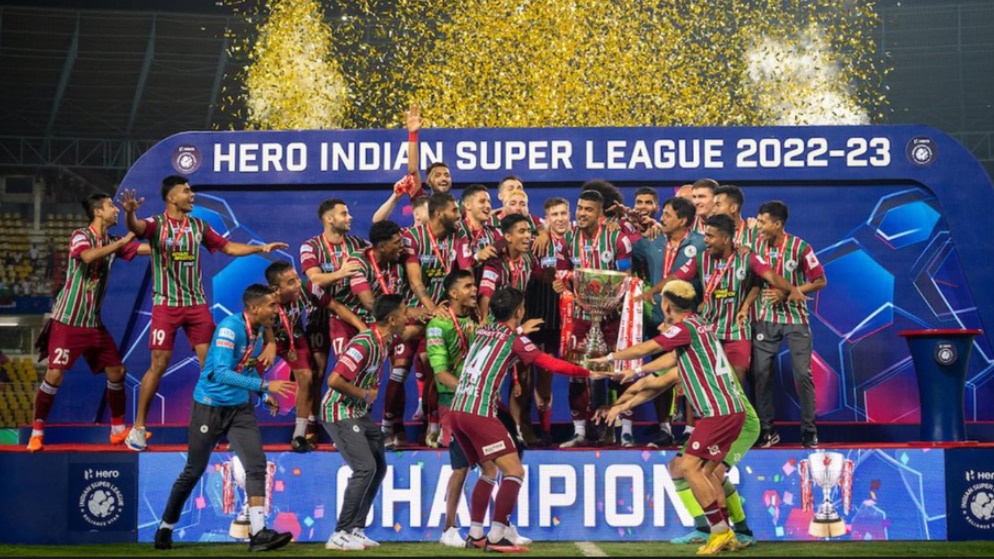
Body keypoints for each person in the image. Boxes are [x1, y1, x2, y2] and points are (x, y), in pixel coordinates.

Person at [119, 178, 288, 452]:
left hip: (196, 306)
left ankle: (218, 428)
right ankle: (138, 429)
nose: (191, 195)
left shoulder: (199, 226)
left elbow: (229, 248)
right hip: (166, 305)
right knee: (158, 365)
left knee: (213, 367)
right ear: (171, 198)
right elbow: (136, 228)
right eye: (186, 191)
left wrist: (261, 248)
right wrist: (129, 213)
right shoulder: (156, 224)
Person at [591, 279, 748, 555]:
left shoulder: (684, 328)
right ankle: (728, 532)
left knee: (688, 468)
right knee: (707, 472)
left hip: (717, 412)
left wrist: (610, 357)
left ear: (666, 305)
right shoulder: (699, 325)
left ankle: (719, 531)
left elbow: (648, 348)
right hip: (730, 410)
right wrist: (635, 372)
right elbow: (669, 362)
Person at [153, 284, 295, 552]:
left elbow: (246, 368)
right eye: (271, 306)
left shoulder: (257, 333)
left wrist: (263, 395)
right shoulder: (230, 329)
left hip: (240, 409)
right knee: (194, 471)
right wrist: (265, 386)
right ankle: (166, 526)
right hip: (210, 406)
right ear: (254, 308)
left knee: (256, 464)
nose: (276, 311)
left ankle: (259, 533)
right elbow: (221, 373)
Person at [451, 287, 592, 552]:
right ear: (519, 311)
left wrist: (518, 330)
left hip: (458, 410)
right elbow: (550, 364)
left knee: (489, 471)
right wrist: (588, 372)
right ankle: (497, 536)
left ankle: (475, 533)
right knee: (514, 471)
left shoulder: (483, 330)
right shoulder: (515, 340)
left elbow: (502, 337)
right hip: (479, 411)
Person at [593, 342, 761, 548]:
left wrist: (622, 401)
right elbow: (645, 385)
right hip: (714, 420)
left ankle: (740, 532)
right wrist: (614, 406)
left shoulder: (698, 359)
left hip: (741, 423)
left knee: (712, 472)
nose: (663, 329)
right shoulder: (684, 358)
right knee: (677, 468)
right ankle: (704, 529)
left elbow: (658, 382)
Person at [27, 193, 147, 452]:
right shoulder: (80, 235)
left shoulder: (112, 241)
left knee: (117, 371)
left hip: (93, 324)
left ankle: (117, 430)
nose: (116, 210)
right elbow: (88, 257)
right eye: (111, 206)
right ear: (98, 212)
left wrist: (172, 245)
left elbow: (142, 249)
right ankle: (36, 433)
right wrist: (122, 242)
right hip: (67, 321)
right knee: (54, 375)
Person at [554, 188, 639, 448]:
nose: (581, 213)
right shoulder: (567, 239)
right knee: (578, 370)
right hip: (581, 316)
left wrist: (608, 297)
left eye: (588, 209)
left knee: (621, 371)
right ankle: (580, 431)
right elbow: (561, 272)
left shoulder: (617, 239)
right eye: (579, 208)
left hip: (612, 316)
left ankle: (626, 430)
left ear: (600, 213)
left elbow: (626, 277)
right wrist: (565, 283)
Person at [322, 294, 408, 551]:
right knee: (365, 468)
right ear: (392, 319)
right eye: (404, 313)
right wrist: (364, 394)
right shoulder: (364, 343)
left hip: (358, 413)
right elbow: (334, 380)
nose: (407, 317)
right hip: (338, 410)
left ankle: (356, 529)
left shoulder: (385, 341)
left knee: (378, 467)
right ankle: (339, 533)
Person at [380, 192, 460, 448]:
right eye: (454, 210)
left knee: (435, 370)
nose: (458, 215)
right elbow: (415, 282)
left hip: (436, 319)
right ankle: (387, 427)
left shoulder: (456, 237)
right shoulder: (412, 238)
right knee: (399, 371)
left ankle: (432, 427)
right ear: (439, 213)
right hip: (410, 315)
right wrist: (431, 308)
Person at [751, 201, 827, 449]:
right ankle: (767, 430)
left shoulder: (800, 247)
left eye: (763, 222)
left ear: (777, 224)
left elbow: (820, 281)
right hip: (765, 319)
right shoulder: (755, 246)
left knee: (803, 374)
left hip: (796, 320)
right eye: (758, 221)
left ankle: (809, 432)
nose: (759, 226)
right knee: (761, 374)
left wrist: (787, 293)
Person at [632, 195, 704, 448]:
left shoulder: (701, 243)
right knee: (658, 373)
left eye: (667, 215)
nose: (661, 219)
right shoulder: (652, 240)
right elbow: (625, 250)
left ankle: (690, 429)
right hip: (658, 319)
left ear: (683, 220)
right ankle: (663, 428)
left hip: (688, 320)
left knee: (691, 373)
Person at [299, 198, 368, 444]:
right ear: (329, 219)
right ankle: (311, 423)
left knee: (350, 371)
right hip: (320, 313)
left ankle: (349, 422)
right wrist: (341, 273)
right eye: (344, 214)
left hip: (350, 314)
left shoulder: (359, 244)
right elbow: (314, 279)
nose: (349, 218)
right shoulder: (310, 246)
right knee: (317, 371)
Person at [478, 214, 542, 444]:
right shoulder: (495, 262)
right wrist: (486, 322)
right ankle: (489, 428)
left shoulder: (529, 259)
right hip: (495, 328)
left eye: (529, 232)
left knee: (523, 378)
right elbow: (486, 294)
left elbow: (542, 276)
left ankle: (516, 429)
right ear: (507, 236)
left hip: (518, 325)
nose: (527, 237)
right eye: (521, 232)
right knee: (491, 380)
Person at [264, 261, 318, 452]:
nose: (298, 284)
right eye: (291, 282)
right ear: (275, 289)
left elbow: (333, 305)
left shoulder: (302, 291)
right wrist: (270, 344)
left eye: (297, 278)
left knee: (307, 377)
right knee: (245, 377)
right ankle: (236, 431)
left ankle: (299, 435)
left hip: (293, 338)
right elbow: (260, 326)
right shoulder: (264, 301)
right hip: (266, 340)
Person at [712, 184, 758, 250]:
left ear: (733, 208)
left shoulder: (754, 232)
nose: (713, 210)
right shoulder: (710, 235)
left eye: (718, 205)